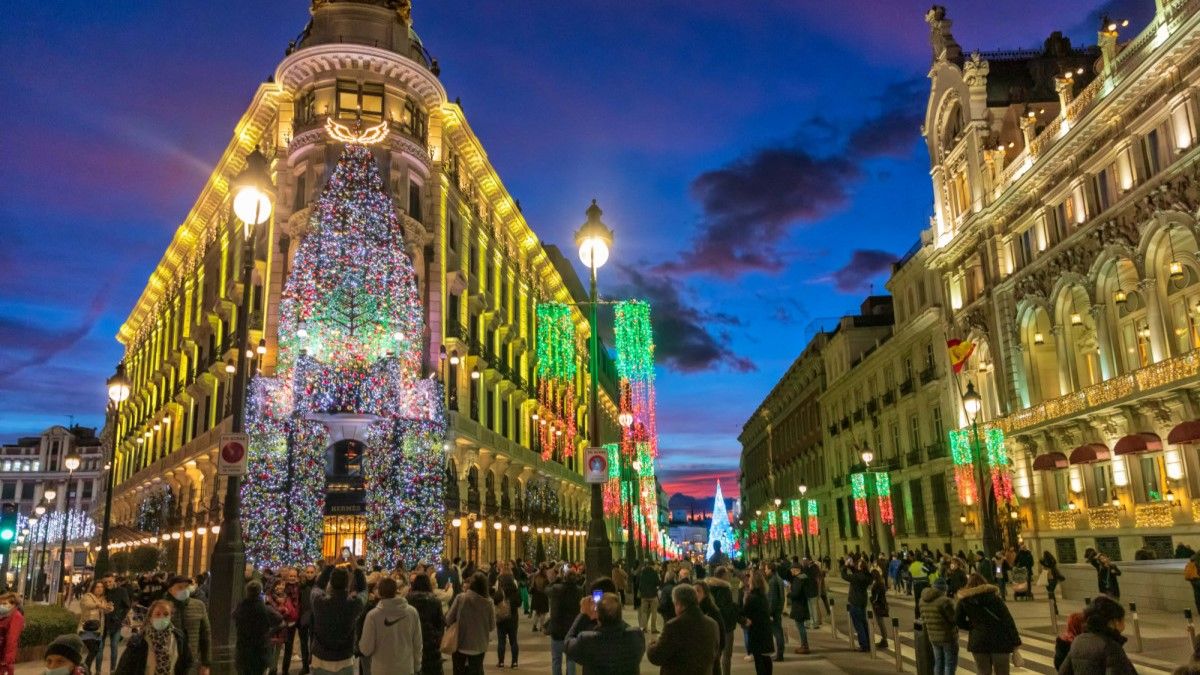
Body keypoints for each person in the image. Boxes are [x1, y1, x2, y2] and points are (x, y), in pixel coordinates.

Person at [564, 592, 645, 675]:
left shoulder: (587, 640)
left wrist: (583, 614)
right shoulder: (635, 636)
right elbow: (623, 627)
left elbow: (567, 644)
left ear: (598, 615)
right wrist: (614, 614)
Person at [955, 572, 1020, 675]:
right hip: (1000, 640)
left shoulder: (964, 601)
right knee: (1002, 672)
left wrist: (972, 626)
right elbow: (1008, 621)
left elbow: (958, 620)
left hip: (978, 641)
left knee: (983, 672)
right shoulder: (995, 599)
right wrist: (1016, 643)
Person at [647, 583, 720, 675]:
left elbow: (657, 657)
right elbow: (715, 660)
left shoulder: (673, 625)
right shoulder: (713, 624)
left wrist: (651, 644)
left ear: (678, 603)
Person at [358, 577, 421, 675]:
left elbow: (366, 649)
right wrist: (417, 666)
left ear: (379, 592)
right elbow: (417, 643)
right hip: (405, 668)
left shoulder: (373, 615)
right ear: (396, 590)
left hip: (381, 669)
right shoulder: (412, 612)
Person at [1058, 596, 1137, 674]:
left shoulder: (1078, 641)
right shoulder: (1111, 647)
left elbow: (1063, 672)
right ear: (1114, 622)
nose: (1124, 625)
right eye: (1123, 620)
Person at [114, 599, 194, 675]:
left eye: (166, 614)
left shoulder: (179, 637)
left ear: (171, 616)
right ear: (150, 617)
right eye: (158, 614)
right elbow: (124, 668)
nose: (162, 617)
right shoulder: (138, 641)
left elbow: (188, 662)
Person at [311, 567, 365, 675]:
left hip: (321, 658)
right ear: (348, 584)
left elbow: (317, 586)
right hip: (344, 659)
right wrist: (357, 568)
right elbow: (364, 590)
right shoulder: (354, 604)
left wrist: (330, 566)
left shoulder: (319, 602)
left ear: (330, 582)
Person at [445, 572, 496, 675]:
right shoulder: (488, 602)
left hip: (460, 643)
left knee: (459, 671)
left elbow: (449, 619)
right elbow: (491, 626)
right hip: (479, 645)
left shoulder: (461, 598)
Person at [233, 580, 283, 675]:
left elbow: (234, 616)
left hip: (243, 650)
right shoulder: (264, 608)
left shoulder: (241, 607)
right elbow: (279, 619)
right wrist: (270, 631)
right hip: (260, 651)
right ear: (260, 592)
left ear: (247, 592)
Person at [164, 575, 210, 675]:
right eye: (180, 587)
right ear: (170, 589)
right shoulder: (163, 606)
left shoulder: (198, 605)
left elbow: (205, 635)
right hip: (167, 660)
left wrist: (206, 663)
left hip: (191, 660)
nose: (184, 590)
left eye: (186, 587)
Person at [407, 572, 445, 675]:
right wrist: (437, 638)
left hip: (412, 638)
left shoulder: (408, 600)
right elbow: (440, 623)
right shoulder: (435, 601)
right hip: (430, 640)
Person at [738, 570, 775, 675]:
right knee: (766, 658)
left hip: (756, 632)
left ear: (753, 582)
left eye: (750, 579)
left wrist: (744, 602)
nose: (748, 581)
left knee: (759, 661)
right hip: (765, 631)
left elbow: (743, 612)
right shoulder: (762, 595)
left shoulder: (752, 598)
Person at [547, 570, 584, 675]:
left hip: (557, 631)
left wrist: (555, 581)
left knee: (556, 660)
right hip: (572, 630)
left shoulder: (556, 588)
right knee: (571, 660)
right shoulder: (579, 590)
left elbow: (546, 590)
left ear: (564, 578)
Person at [919, 579, 958, 675]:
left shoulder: (922, 600)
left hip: (932, 636)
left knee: (938, 662)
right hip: (947, 637)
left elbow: (923, 617)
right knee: (949, 664)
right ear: (944, 589)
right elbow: (953, 619)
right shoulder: (945, 601)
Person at [707, 568, 740, 675]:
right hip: (726, 626)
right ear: (723, 575)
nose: (729, 575)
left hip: (713, 626)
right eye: (727, 574)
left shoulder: (709, 588)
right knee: (726, 655)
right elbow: (726, 609)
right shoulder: (725, 590)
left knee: (715, 654)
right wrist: (735, 609)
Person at [99, 574, 131, 675]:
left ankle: (113, 670)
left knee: (114, 646)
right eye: (105, 582)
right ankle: (98, 671)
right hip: (102, 623)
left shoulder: (122, 591)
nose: (108, 584)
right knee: (100, 647)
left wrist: (120, 618)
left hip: (116, 623)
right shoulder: (102, 591)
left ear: (114, 580)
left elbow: (127, 606)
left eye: (110, 581)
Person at [266, 578, 299, 675]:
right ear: (274, 586)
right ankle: (270, 669)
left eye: (282, 585)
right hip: (272, 628)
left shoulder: (286, 597)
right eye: (278, 585)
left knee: (277, 651)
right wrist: (283, 610)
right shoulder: (269, 597)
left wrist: (284, 610)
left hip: (282, 628)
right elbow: (272, 612)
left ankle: (274, 669)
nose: (280, 587)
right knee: (270, 651)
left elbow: (289, 612)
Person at [694, 581, 727, 675]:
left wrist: (717, 652)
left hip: (710, 655)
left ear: (705, 593)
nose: (695, 593)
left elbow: (721, 633)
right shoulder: (695, 609)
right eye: (693, 591)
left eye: (698, 591)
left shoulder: (711, 610)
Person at [493, 563, 521, 668]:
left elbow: (495, 599)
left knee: (501, 640)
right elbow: (519, 602)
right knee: (513, 640)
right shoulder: (514, 583)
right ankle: (514, 662)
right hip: (513, 616)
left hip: (501, 616)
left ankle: (501, 662)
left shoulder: (498, 583)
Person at [841, 558, 872, 653]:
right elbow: (857, 572)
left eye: (858, 564)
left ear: (860, 567)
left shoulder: (857, 577)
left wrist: (845, 566)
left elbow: (844, 576)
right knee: (864, 623)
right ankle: (869, 643)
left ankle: (864, 645)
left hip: (855, 602)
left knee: (859, 625)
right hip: (862, 601)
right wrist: (851, 566)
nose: (856, 565)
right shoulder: (866, 576)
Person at [785, 563, 810, 655]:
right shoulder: (804, 578)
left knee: (800, 626)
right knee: (801, 625)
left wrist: (788, 592)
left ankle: (804, 646)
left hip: (799, 606)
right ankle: (804, 645)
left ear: (796, 569)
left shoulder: (798, 579)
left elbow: (796, 594)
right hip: (803, 604)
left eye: (792, 569)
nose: (791, 571)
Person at [763, 564, 786, 661]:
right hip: (778, 610)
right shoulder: (778, 578)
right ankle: (779, 653)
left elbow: (772, 599)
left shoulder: (773, 581)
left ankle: (779, 655)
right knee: (779, 632)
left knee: (777, 633)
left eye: (766, 569)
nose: (765, 571)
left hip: (774, 612)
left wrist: (770, 613)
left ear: (771, 570)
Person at [0, 593, 22, 675]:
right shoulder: (4, 615)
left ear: (14, 605)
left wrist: (8, 659)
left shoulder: (16, 616)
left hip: (4, 657)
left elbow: (12, 639)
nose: (2, 606)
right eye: (1, 603)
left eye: (4, 604)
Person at [637, 561, 661, 633]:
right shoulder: (654, 573)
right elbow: (658, 582)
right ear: (652, 566)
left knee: (644, 612)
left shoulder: (643, 573)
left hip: (644, 595)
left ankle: (644, 628)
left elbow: (640, 585)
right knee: (654, 612)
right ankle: (653, 628)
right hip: (653, 595)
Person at [870, 569, 889, 650]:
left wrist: (872, 600)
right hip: (881, 604)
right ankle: (884, 639)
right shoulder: (880, 583)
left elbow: (876, 597)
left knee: (880, 622)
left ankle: (884, 640)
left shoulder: (878, 584)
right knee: (881, 622)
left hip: (878, 605)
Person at [530, 567, 550, 634]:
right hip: (543, 596)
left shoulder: (535, 577)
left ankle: (534, 626)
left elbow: (532, 586)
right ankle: (541, 627)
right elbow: (548, 588)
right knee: (543, 613)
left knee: (537, 612)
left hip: (536, 596)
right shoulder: (546, 579)